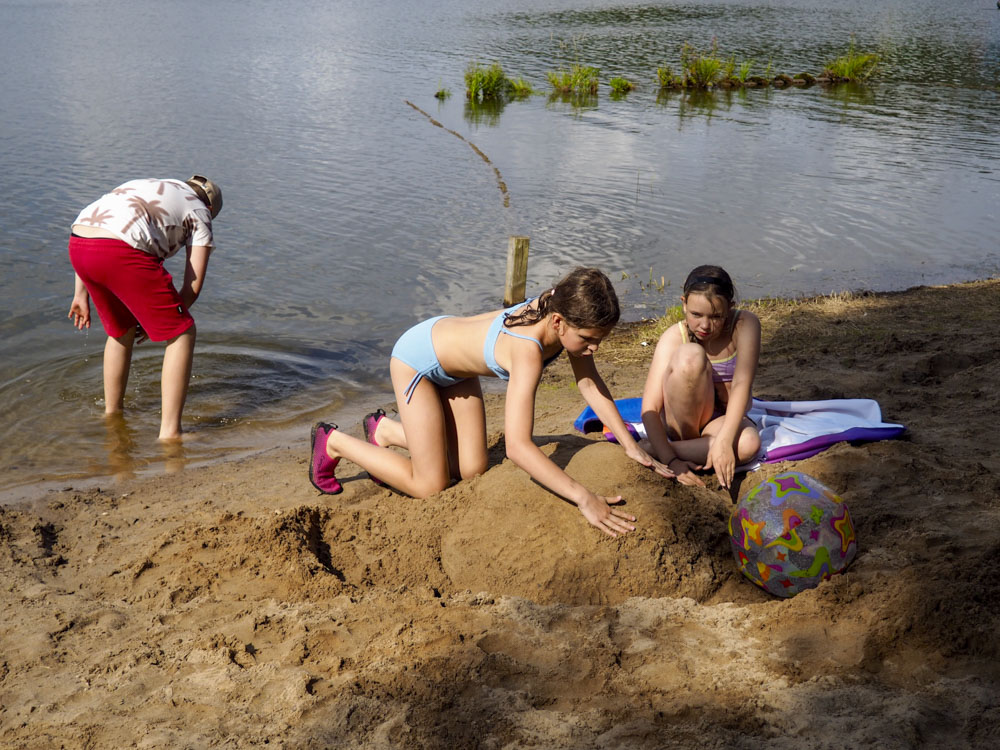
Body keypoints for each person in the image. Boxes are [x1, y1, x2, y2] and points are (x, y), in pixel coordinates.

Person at [310, 267, 672, 537]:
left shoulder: (560, 309)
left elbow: (589, 384)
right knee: (430, 485)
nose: (593, 348)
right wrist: (582, 497)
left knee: (471, 469)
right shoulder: (528, 351)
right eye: (588, 339)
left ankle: (386, 431)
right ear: (559, 322)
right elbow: (517, 447)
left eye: (599, 340)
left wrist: (630, 445)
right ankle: (334, 442)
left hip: (457, 367)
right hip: (416, 362)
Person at [66, 175, 222, 440]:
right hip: (120, 251)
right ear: (210, 209)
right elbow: (192, 288)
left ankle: (112, 413)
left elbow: (100, 228)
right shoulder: (199, 211)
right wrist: (163, 322)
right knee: (183, 331)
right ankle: (171, 433)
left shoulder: (146, 185)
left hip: (79, 244)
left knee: (121, 330)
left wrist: (80, 294)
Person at [640, 265, 762, 490]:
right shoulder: (674, 337)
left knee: (750, 444)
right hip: (680, 424)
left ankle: (654, 449)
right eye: (696, 315)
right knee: (690, 355)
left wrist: (724, 441)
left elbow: (741, 383)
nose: (705, 325)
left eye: (716, 317)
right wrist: (672, 462)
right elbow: (650, 407)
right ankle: (684, 447)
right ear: (684, 303)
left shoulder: (744, 325)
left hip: (721, 421)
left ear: (730, 308)